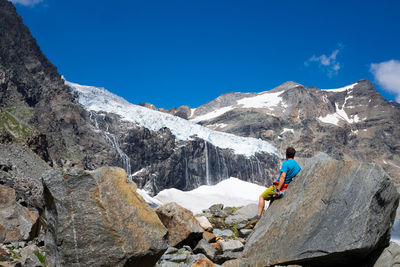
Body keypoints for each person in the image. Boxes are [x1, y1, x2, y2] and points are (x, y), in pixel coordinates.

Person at [250, 147, 301, 220]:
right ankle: (266, 217)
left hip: (278, 186)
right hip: (286, 187)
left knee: (262, 197)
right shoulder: (297, 165)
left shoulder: (286, 163)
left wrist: (278, 189)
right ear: (294, 155)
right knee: (272, 201)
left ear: (286, 155)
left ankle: (258, 216)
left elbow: (283, 177)